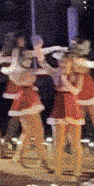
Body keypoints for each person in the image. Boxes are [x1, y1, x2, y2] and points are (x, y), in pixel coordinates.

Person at [2, 37, 52, 171]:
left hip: (29, 97)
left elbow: (37, 60)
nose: (28, 60)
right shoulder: (17, 71)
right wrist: (39, 49)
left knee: (28, 132)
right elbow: (36, 65)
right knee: (37, 132)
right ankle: (43, 160)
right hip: (25, 99)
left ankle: (18, 157)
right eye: (24, 57)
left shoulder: (21, 69)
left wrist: (39, 49)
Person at [37, 42, 84, 178]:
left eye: (65, 63)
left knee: (75, 142)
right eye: (60, 63)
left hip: (73, 108)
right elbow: (43, 64)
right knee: (58, 142)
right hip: (59, 109)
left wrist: (65, 81)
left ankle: (77, 169)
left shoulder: (78, 75)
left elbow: (76, 91)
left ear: (71, 63)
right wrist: (38, 49)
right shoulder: (55, 73)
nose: (62, 65)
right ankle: (58, 170)